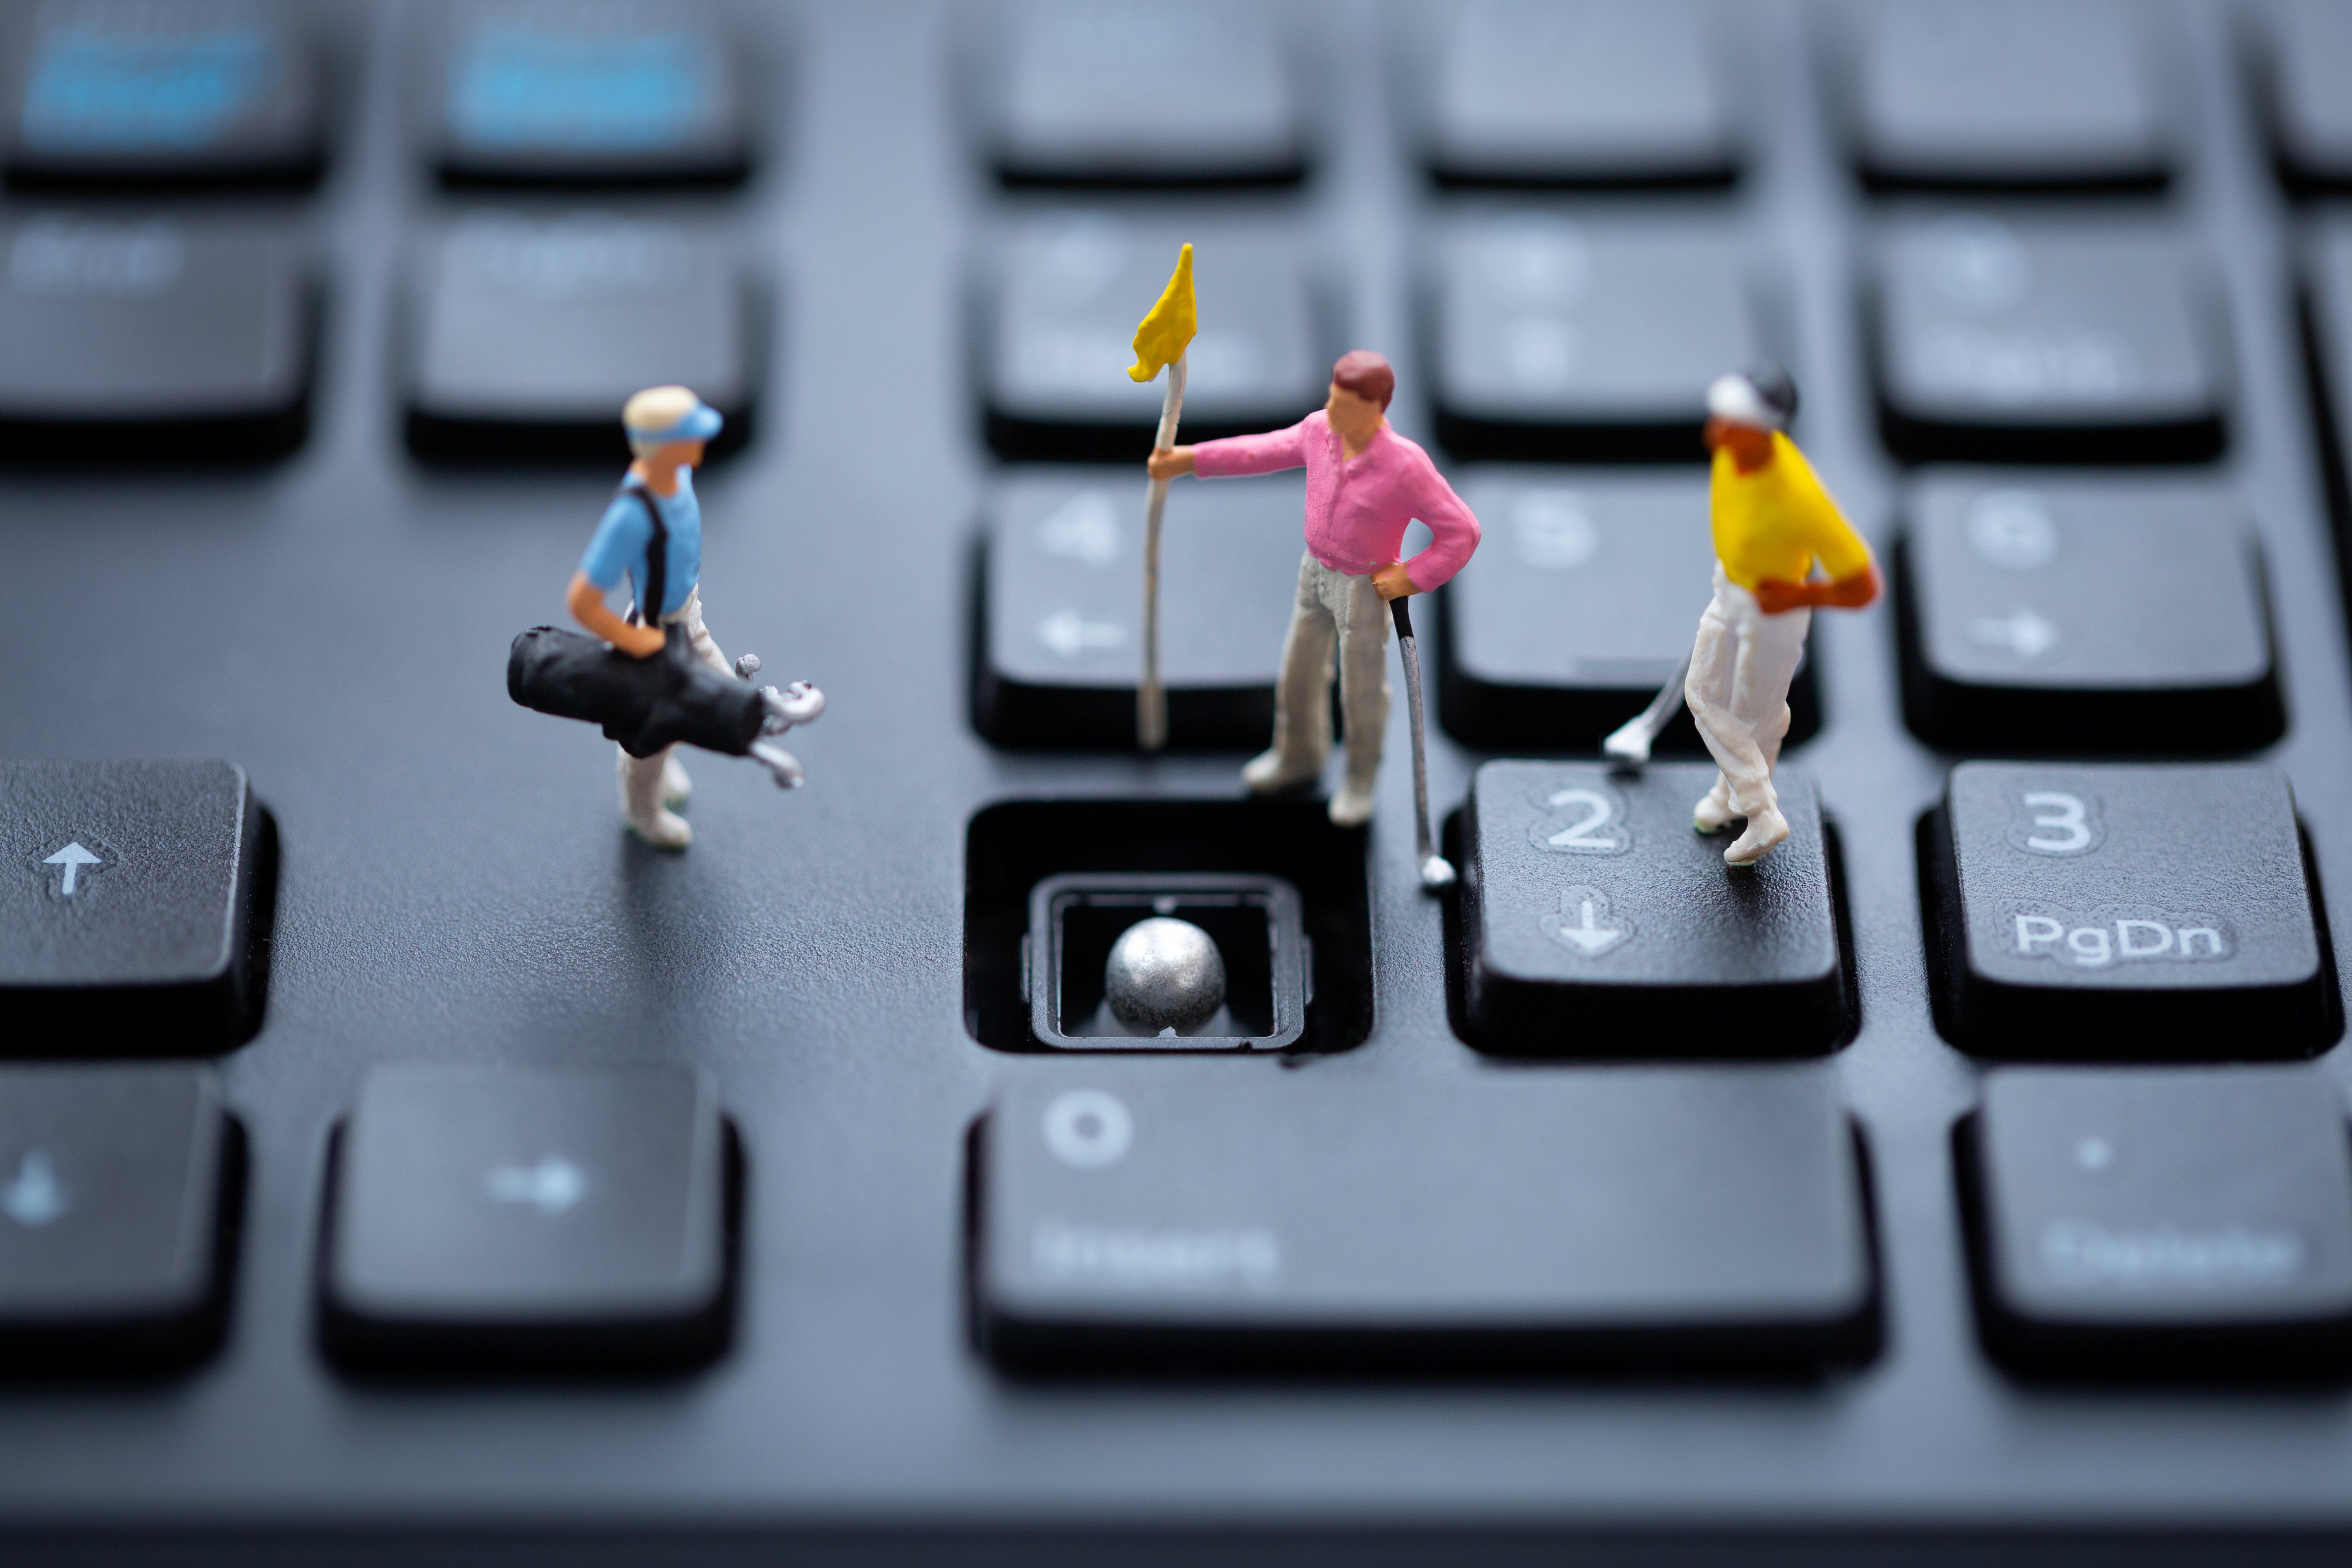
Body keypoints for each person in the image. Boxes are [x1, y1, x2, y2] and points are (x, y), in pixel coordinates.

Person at [1146, 350, 1480, 827]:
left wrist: (1412, 576)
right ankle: (1298, 756)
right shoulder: (1319, 430)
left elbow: (1462, 531)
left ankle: (1360, 780)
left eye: (1346, 403)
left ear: (1377, 407)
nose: (1334, 408)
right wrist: (1188, 460)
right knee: (1299, 669)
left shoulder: (1405, 465)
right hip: (1314, 570)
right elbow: (1259, 451)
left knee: (1361, 689)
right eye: (1333, 397)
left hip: (1365, 586)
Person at [1681, 365, 1880, 866]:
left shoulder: (1799, 493)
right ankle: (1751, 806)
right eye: (1719, 417)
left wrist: (1795, 598)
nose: (1717, 432)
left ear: (1766, 427)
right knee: (1706, 696)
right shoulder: (1730, 456)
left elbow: (1862, 587)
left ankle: (1749, 809)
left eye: (1734, 422)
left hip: (1773, 615)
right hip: (1729, 589)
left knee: (1756, 717)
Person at [566, 385, 733, 849]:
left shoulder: (679, 479)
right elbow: (582, 601)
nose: (701, 443)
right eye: (691, 435)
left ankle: (667, 764)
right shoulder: (631, 515)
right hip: (654, 631)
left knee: (719, 696)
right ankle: (643, 811)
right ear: (663, 446)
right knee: (647, 736)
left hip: (689, 618)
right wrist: (637, 644)